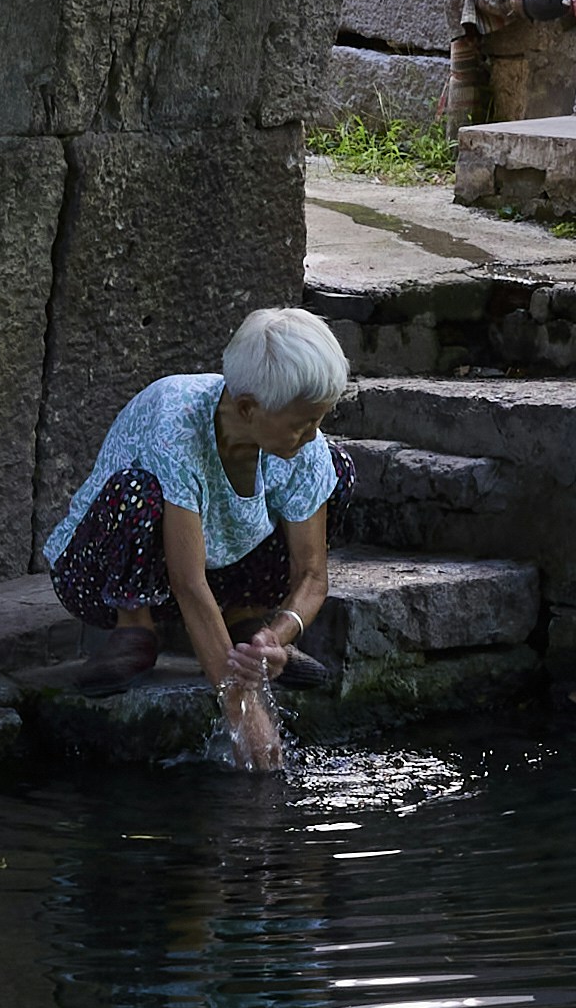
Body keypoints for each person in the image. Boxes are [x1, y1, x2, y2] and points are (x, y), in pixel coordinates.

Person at [42, 307, 351, 772]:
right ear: (248, 408)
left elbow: (312, 575)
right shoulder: (176, 421)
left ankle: (248, 627)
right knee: (138, 493)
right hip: (102, 577)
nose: (311, 435)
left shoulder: (302, 443)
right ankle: (136, 627)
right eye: (300, 424)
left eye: (317, 420)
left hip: (219, 571)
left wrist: (276, 637)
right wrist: (241, 706)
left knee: (336, 469)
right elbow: (187, 582)